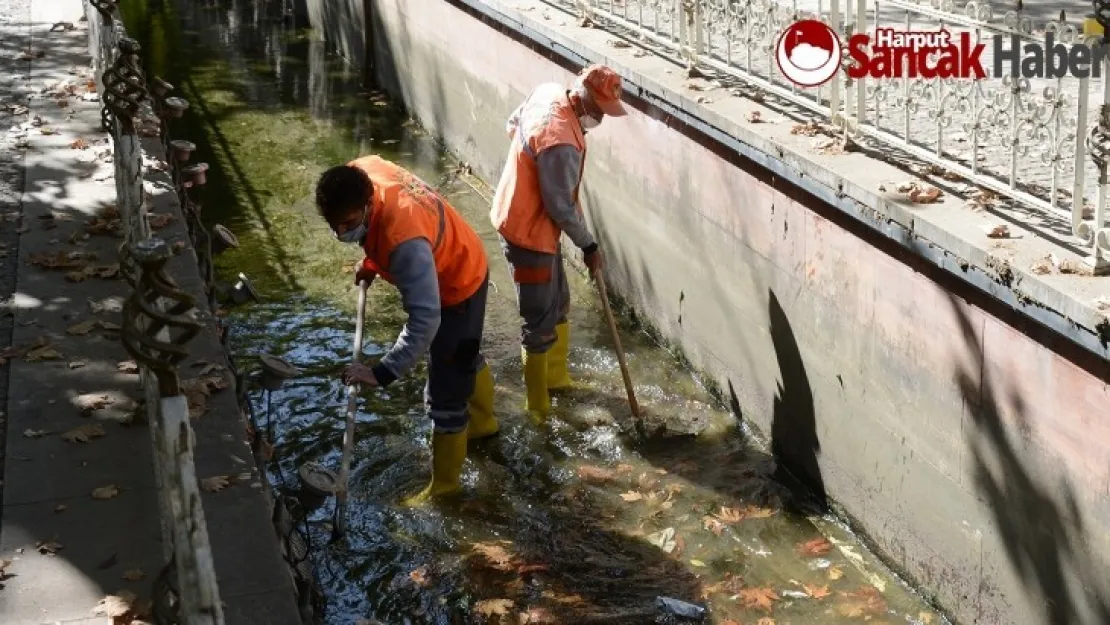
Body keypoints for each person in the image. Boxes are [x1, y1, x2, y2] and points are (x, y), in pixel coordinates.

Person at [317, 155, 497, 504]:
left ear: (368, 205)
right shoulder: (363, 171)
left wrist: (381, 373)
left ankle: (445, 489)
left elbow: (425, 319)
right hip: (458, 252)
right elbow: (379, 230)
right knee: (463, 354)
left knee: (445, 393)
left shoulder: (405, 241)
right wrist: (372, 261)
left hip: (457, 283)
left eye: (349, 224)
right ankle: (485, 425)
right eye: (334, 225)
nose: (342, 233)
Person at [489, 64, 627, 423]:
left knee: (559, 302)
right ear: (582, 100)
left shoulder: (548, 91)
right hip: (526, 231)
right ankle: (538, 407)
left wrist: (530, 166)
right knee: (538, 319)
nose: (601, 118)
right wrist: (590, 246)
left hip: (533, 222)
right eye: (598, 111)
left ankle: (556, 379)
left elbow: (511, 124)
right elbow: (560, 207)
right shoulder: (561, 141)